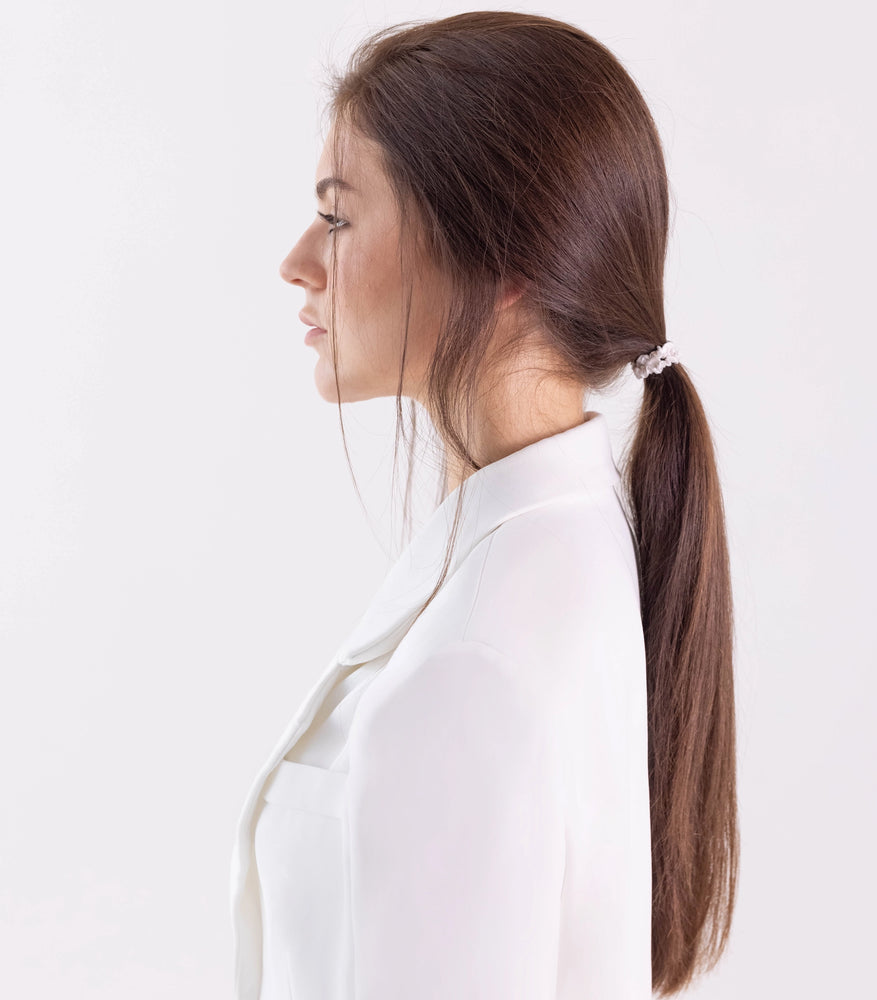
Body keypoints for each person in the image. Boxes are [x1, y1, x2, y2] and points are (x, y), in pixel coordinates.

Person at [230, 11, 738, 1000]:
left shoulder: (472, 663)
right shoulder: (562, 540)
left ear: (501, 256)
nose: (298, 259)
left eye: (338, 216)